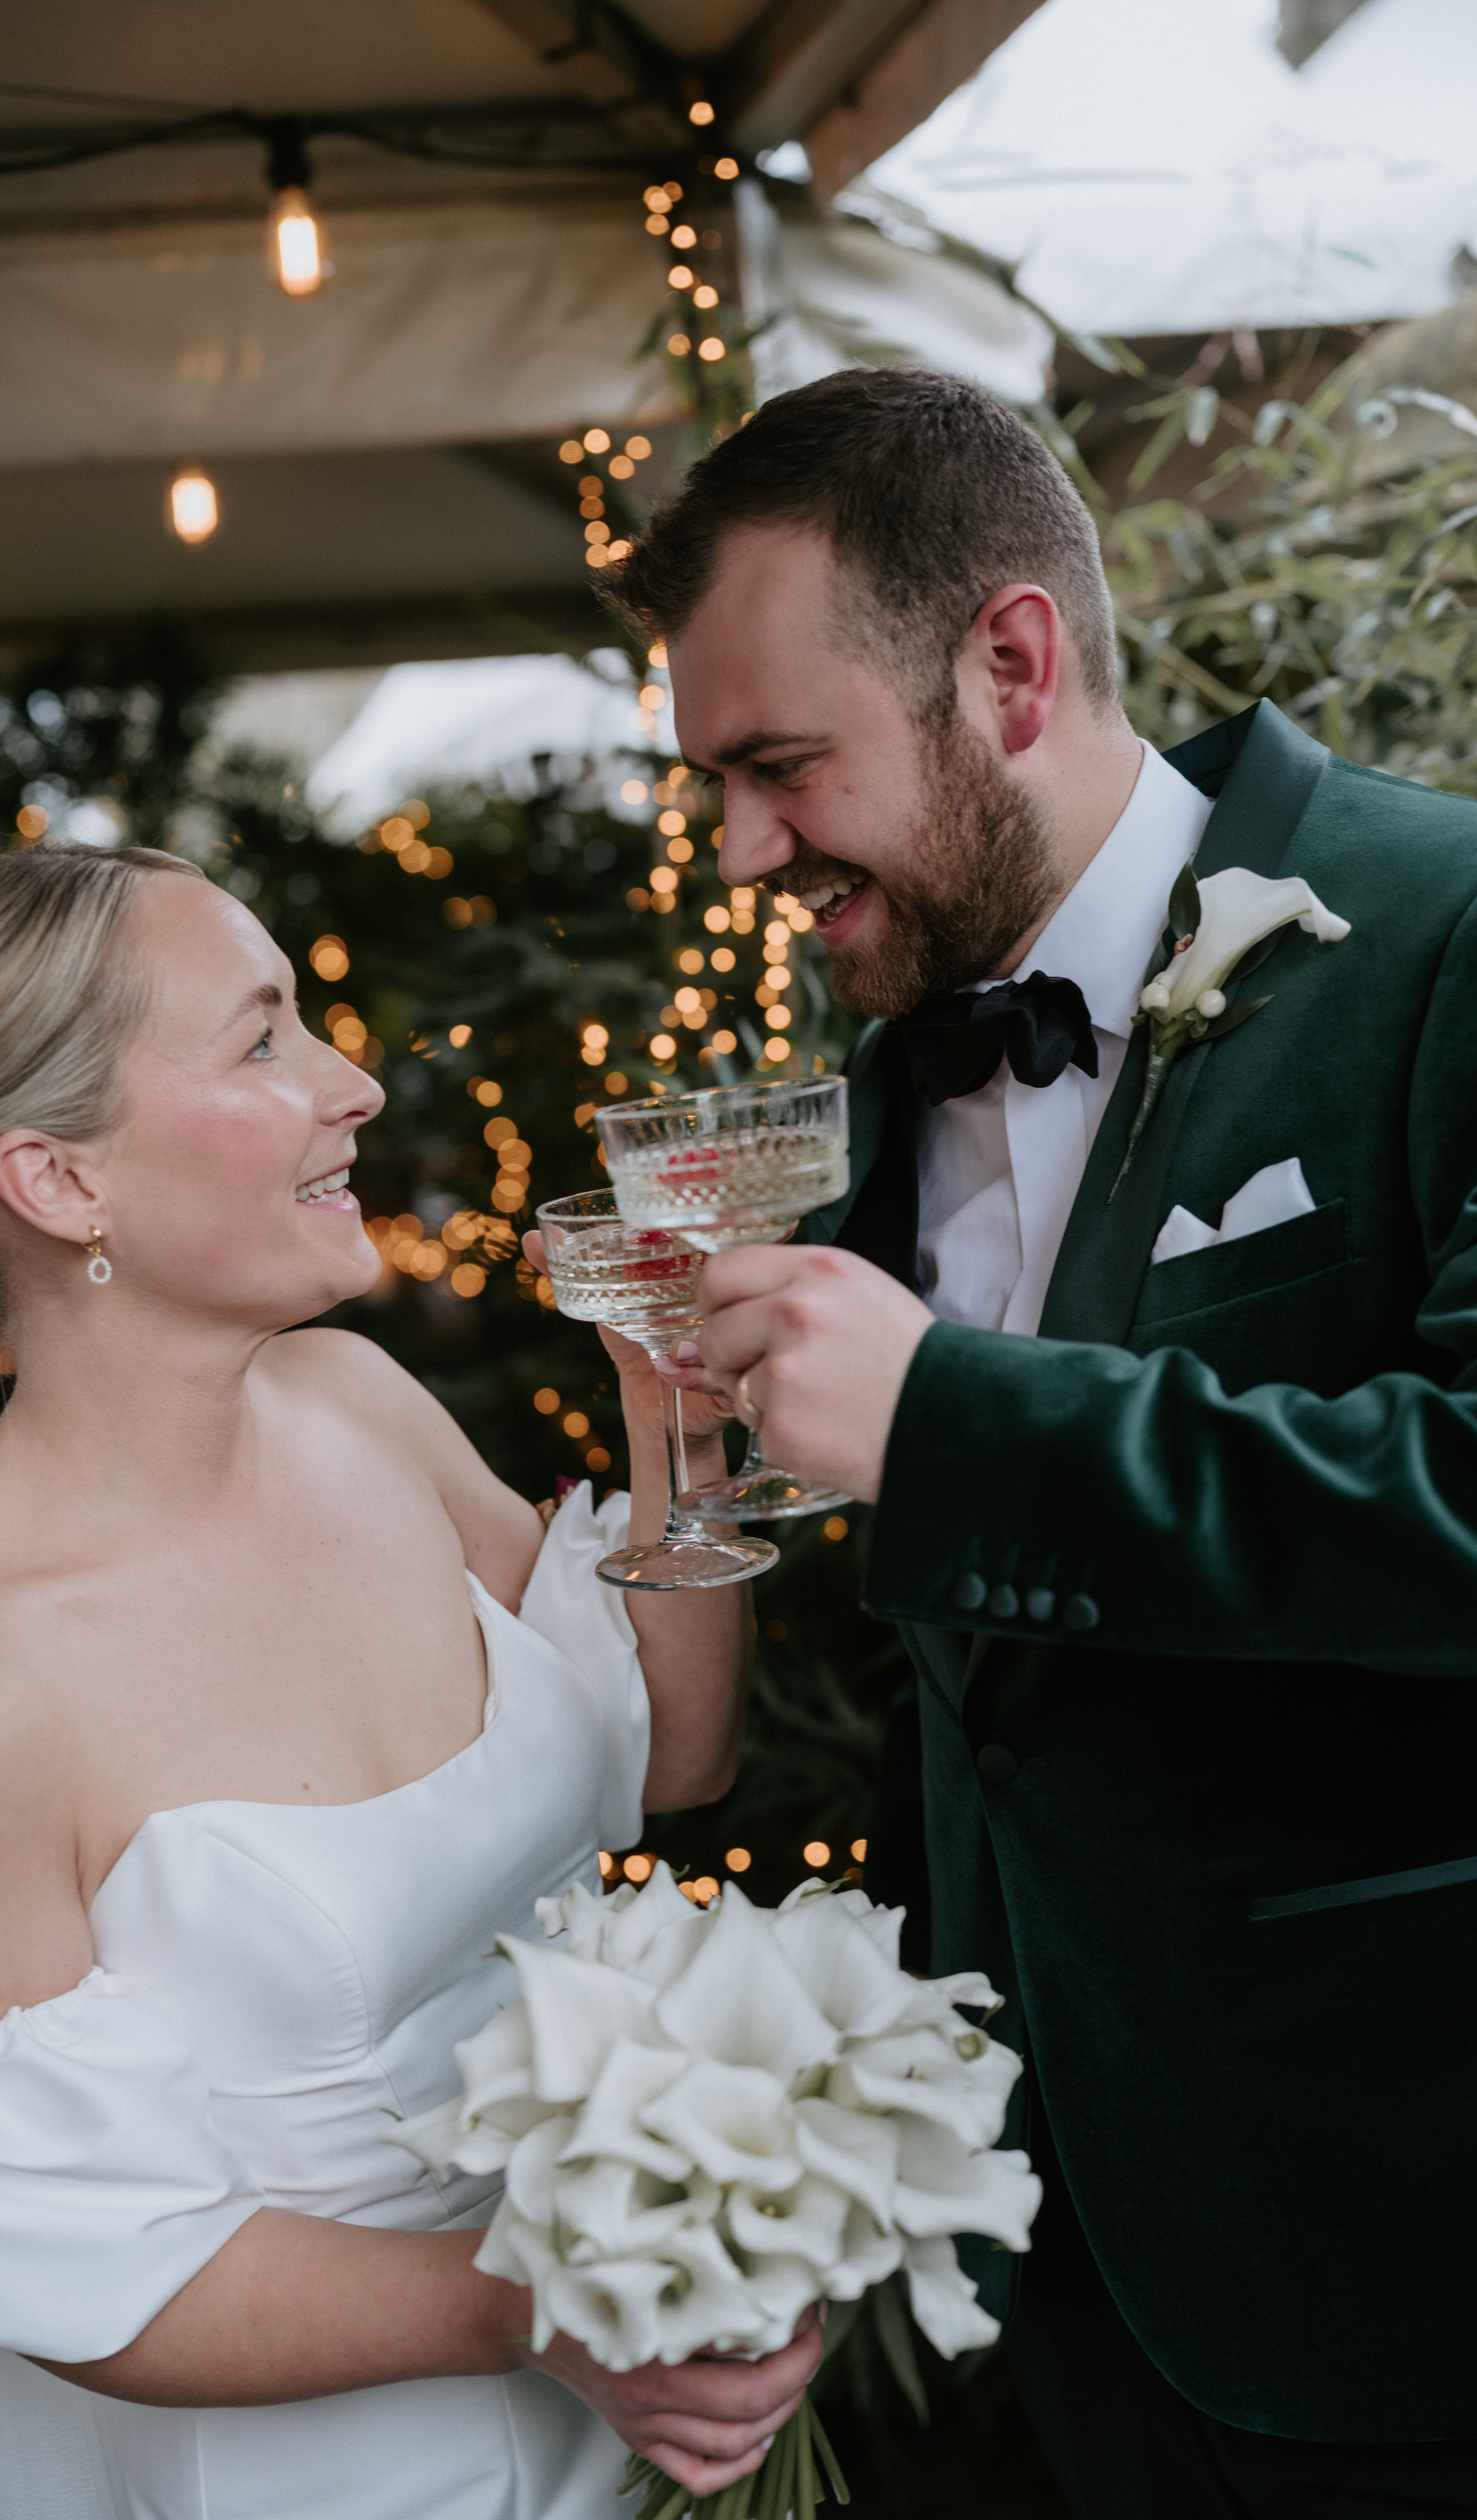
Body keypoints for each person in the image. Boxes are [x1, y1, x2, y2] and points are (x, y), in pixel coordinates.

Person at [608, 367, 1477, 2516]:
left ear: (1010, 665)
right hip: (1062, 2298)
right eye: (715, 786)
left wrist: (954, 1427)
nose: (741, 854)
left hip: (1418, 2253)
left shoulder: (1447, 932)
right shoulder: (871, 1089)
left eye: (780, 768)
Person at [0, 844, 821, 2520]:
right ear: (58, 1182)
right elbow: (81, 2261)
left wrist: (675, 1419)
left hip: (636, 2416)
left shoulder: (358, 1404)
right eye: (263, 1039)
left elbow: (677, 1759)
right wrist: (541, 2306)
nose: (355, 1087)